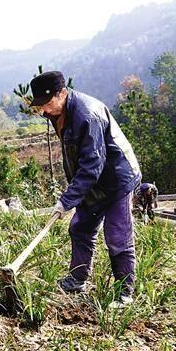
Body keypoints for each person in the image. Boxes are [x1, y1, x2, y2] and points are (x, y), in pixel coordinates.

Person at [30, 71, 141, 309]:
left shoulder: (87, 115)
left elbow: (92, 164)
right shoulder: (57, 112)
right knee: (80, 228)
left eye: (47, 103)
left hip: (117, 178)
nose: (44, 110)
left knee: (117, 236)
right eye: (40, 105)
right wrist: (73, 194)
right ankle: (77, 280)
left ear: (62, 93)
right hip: (92, 180)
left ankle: (124, 293)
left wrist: (67, 200)